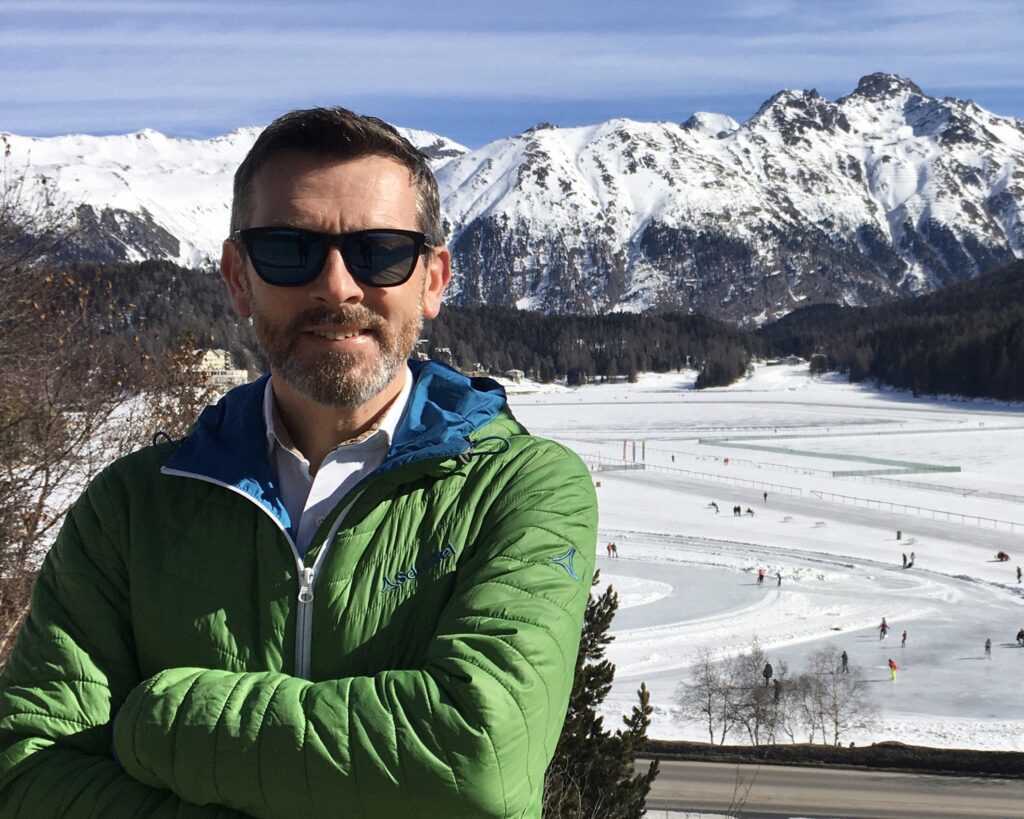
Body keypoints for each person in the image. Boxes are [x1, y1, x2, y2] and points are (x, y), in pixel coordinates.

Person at [0, 107, 599, 817]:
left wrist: (159, 716)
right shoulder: (130, 509)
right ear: (238, 278)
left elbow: (478, 756)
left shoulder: (522, 489)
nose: (337, 287)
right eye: (290, 249)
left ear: (433, 279)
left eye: (381, 252)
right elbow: (29, 776)